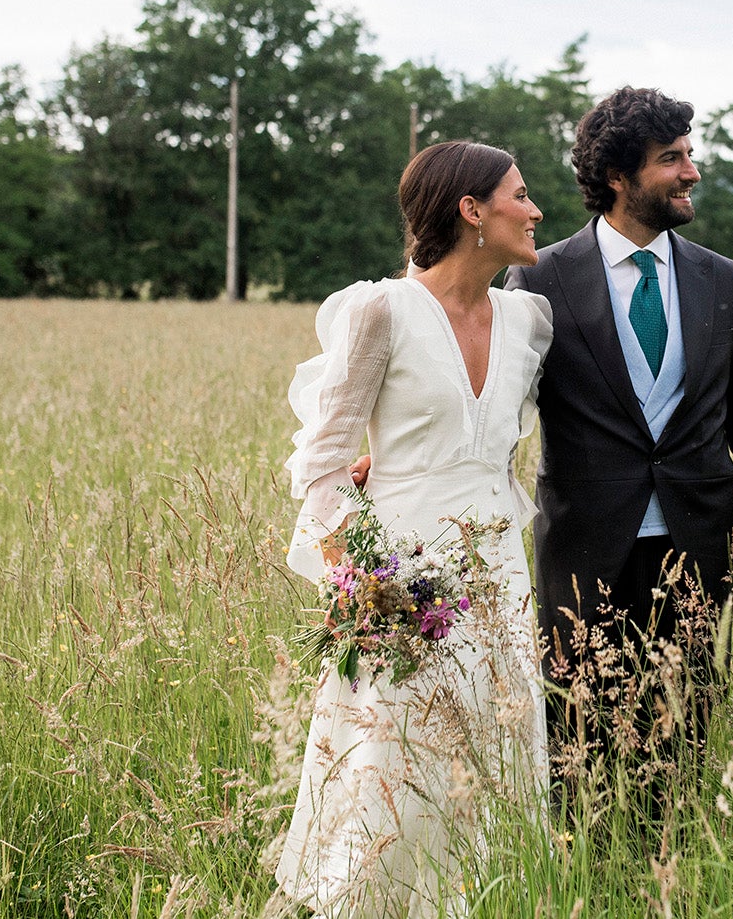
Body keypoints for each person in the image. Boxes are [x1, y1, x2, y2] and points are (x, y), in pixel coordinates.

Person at [273, 141, 551, 917]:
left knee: (498, 754)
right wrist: (362, 579)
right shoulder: (380, 309)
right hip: (402, 583)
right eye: (519, 196)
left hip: (499, 572)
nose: (535, 211)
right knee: (390, 768)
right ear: (471, 211)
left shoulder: (530, 320)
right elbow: (323, 463)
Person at [504, 86, 733, 763]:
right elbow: (498, 404)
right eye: (671, 158)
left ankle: (673, 865)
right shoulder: (541, 278)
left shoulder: (721, 278)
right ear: (618, 177)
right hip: (584, 547)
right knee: (581, 743)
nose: (691, 171)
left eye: (689, 154)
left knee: (685, 736)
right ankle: (589, 866)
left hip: (696, 541)